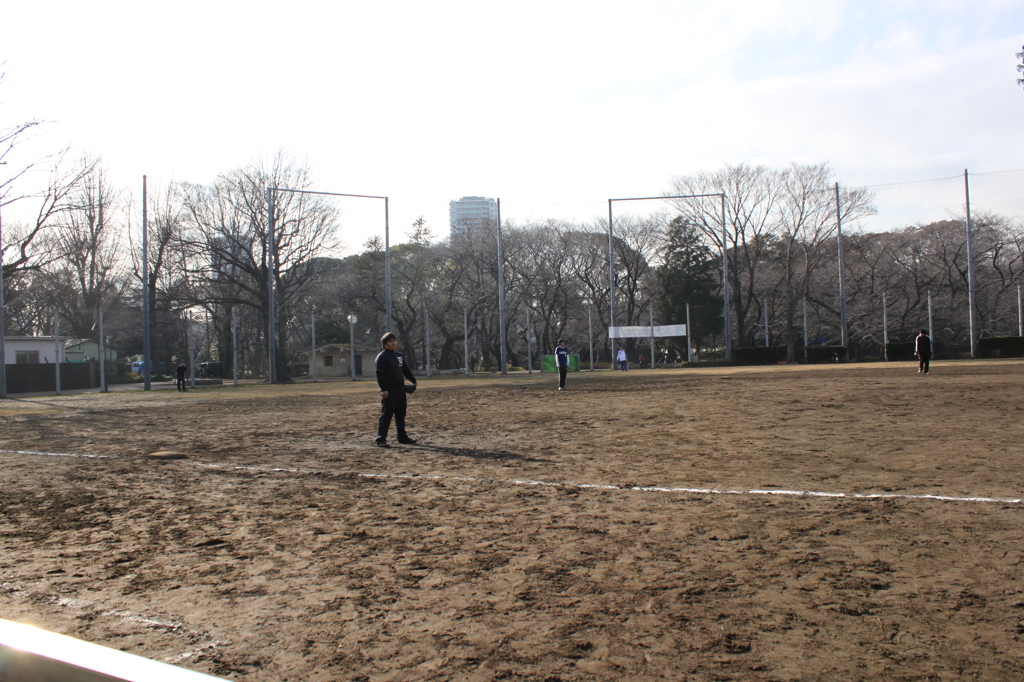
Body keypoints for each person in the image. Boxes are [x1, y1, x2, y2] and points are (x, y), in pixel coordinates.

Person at [374, 332, 418, 447]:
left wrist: (413, 381)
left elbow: (406, 370)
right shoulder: (382, 357)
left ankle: (402, 437)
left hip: (400, 389)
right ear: (384, 344)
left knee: (401, 414)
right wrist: (383, 390)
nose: (393, 343)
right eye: (390, 341)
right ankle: (381, 439)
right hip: (389, 390)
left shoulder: (398, 356)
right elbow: (380, 374)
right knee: (387, 415)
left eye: (394, 341)